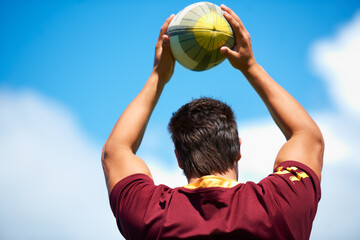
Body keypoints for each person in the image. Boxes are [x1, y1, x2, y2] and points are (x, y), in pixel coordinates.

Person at [101, 4, 324, 240]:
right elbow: (308, 137)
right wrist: (250, 66)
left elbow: (115, 151)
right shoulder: (280, 205)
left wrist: (158, 75)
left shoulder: (150, 214)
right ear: (237, 148)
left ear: (178, 157)